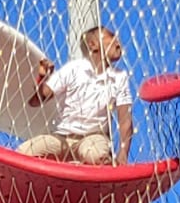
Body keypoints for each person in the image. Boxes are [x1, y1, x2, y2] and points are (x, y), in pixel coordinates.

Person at [18, 26, 134, 166]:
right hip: (63, 137)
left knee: (97, 157)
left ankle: (83, 172)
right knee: (23, 152)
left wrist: (122, 155)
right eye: (111, 36)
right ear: (93, 44)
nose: (118, 42)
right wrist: (42, 78)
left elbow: (125, 120)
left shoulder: (119, 77)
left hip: (93, 137)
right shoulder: (73, 69)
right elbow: (37, 101)